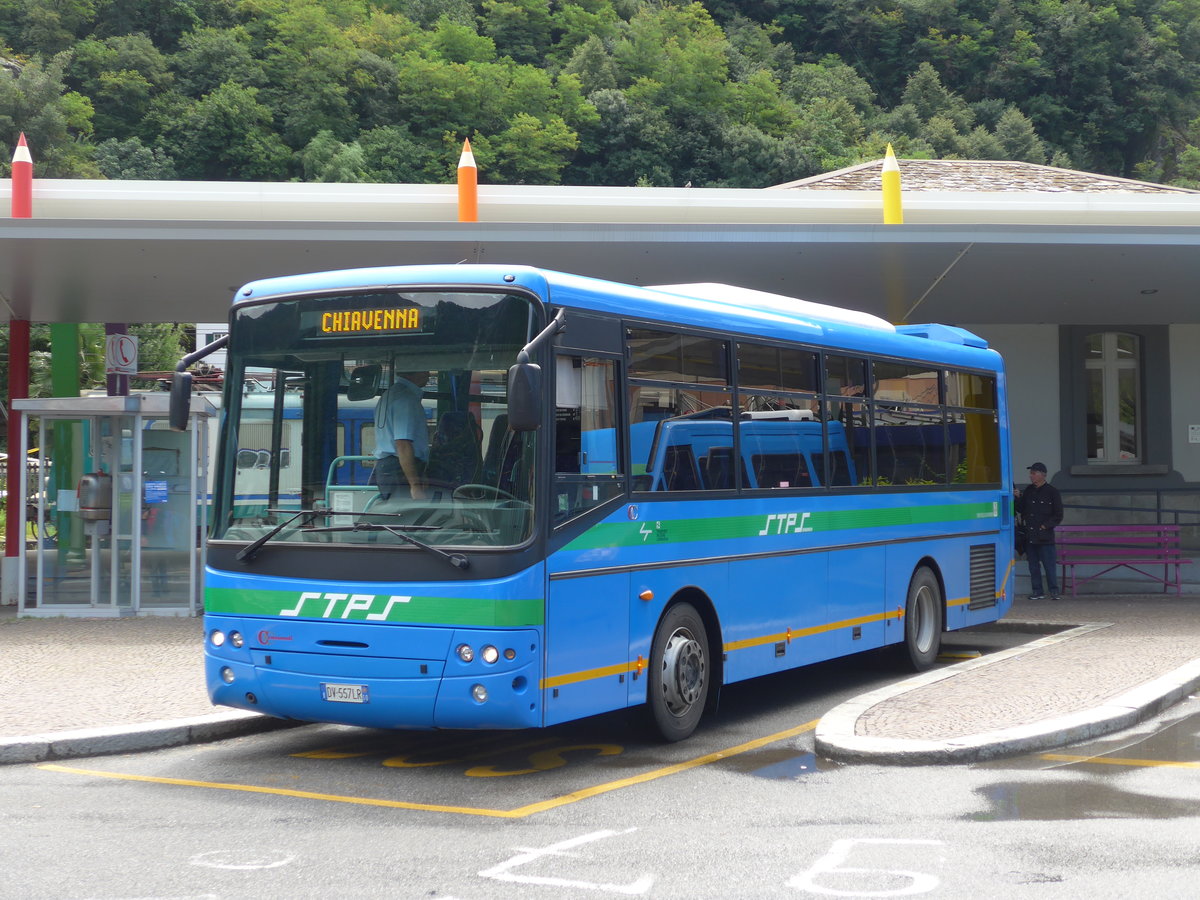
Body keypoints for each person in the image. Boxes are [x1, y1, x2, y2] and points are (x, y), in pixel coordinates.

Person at [373, 371, 430, 501]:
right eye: (423, 370)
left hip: (389, 467)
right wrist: (415, 486)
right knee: (407, 511)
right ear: (410, 373)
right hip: (400, 469)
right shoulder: (406, 399)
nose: (428, 374)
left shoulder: (389, 395)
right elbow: (403, 444)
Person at [1014, 461, 1063, 600]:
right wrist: (1017, 498)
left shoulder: (1052, 492)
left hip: (1045, 535)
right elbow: (1021, 509)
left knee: (1049, 565)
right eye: (1031, 473)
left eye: (1034, 473)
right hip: (1030, 535)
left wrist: (1045, 526)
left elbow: (1058, 515)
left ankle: (1054, 591)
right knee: (1033, 566)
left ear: (1043, 475)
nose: (1031, 476)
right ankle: (1037, 591)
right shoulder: (1029, 490)